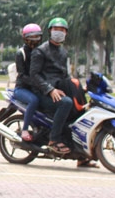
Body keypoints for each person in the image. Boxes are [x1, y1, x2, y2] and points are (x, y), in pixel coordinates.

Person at [29, 17, 74, 155]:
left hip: (59, 89)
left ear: (66, 33)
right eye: (56, 29)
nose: (59, 32)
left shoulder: (63, 52)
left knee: (80, 107)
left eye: (62, 30)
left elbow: (65, 74)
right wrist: (50, 90)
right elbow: (34, 75)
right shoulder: (40, 51)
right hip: (43, 92)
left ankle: (80, 154)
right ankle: (53, 140)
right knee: (66, 103)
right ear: (50, 31)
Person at [13, 23, 43, 142]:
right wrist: (36, 83)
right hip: (22, 88)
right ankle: (25, 129)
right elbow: (22, 74)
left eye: (37, 37)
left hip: (37, 87)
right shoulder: (21, 53)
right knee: (34, 100)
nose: (34, 41)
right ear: (25, 39)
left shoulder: (41, 52)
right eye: (32, 38)